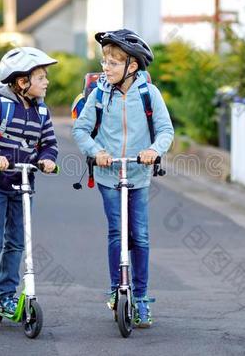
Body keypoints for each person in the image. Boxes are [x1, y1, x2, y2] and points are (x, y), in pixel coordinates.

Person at [72, 29, 174, 328]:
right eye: (105, 61)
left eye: (113, 63)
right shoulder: (100, 93)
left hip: (138, 173)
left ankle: (140, 298)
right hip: (108, 173)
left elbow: (166, 130)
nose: (106, 68)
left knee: (139, 236)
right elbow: (80, 129)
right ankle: (118, 290)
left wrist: (154, 151)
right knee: (118, 232)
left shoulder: (148, 94)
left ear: (132, 66)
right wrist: (97, 150)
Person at [0, 47, 59, 327]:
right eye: (41, 77)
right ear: (21, 82)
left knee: (17, 244)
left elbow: (49, 144)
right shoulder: (0, 106)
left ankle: (6, 296)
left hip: (24, 185)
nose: (46, 82)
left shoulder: (42, 111)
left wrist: (47, 159)